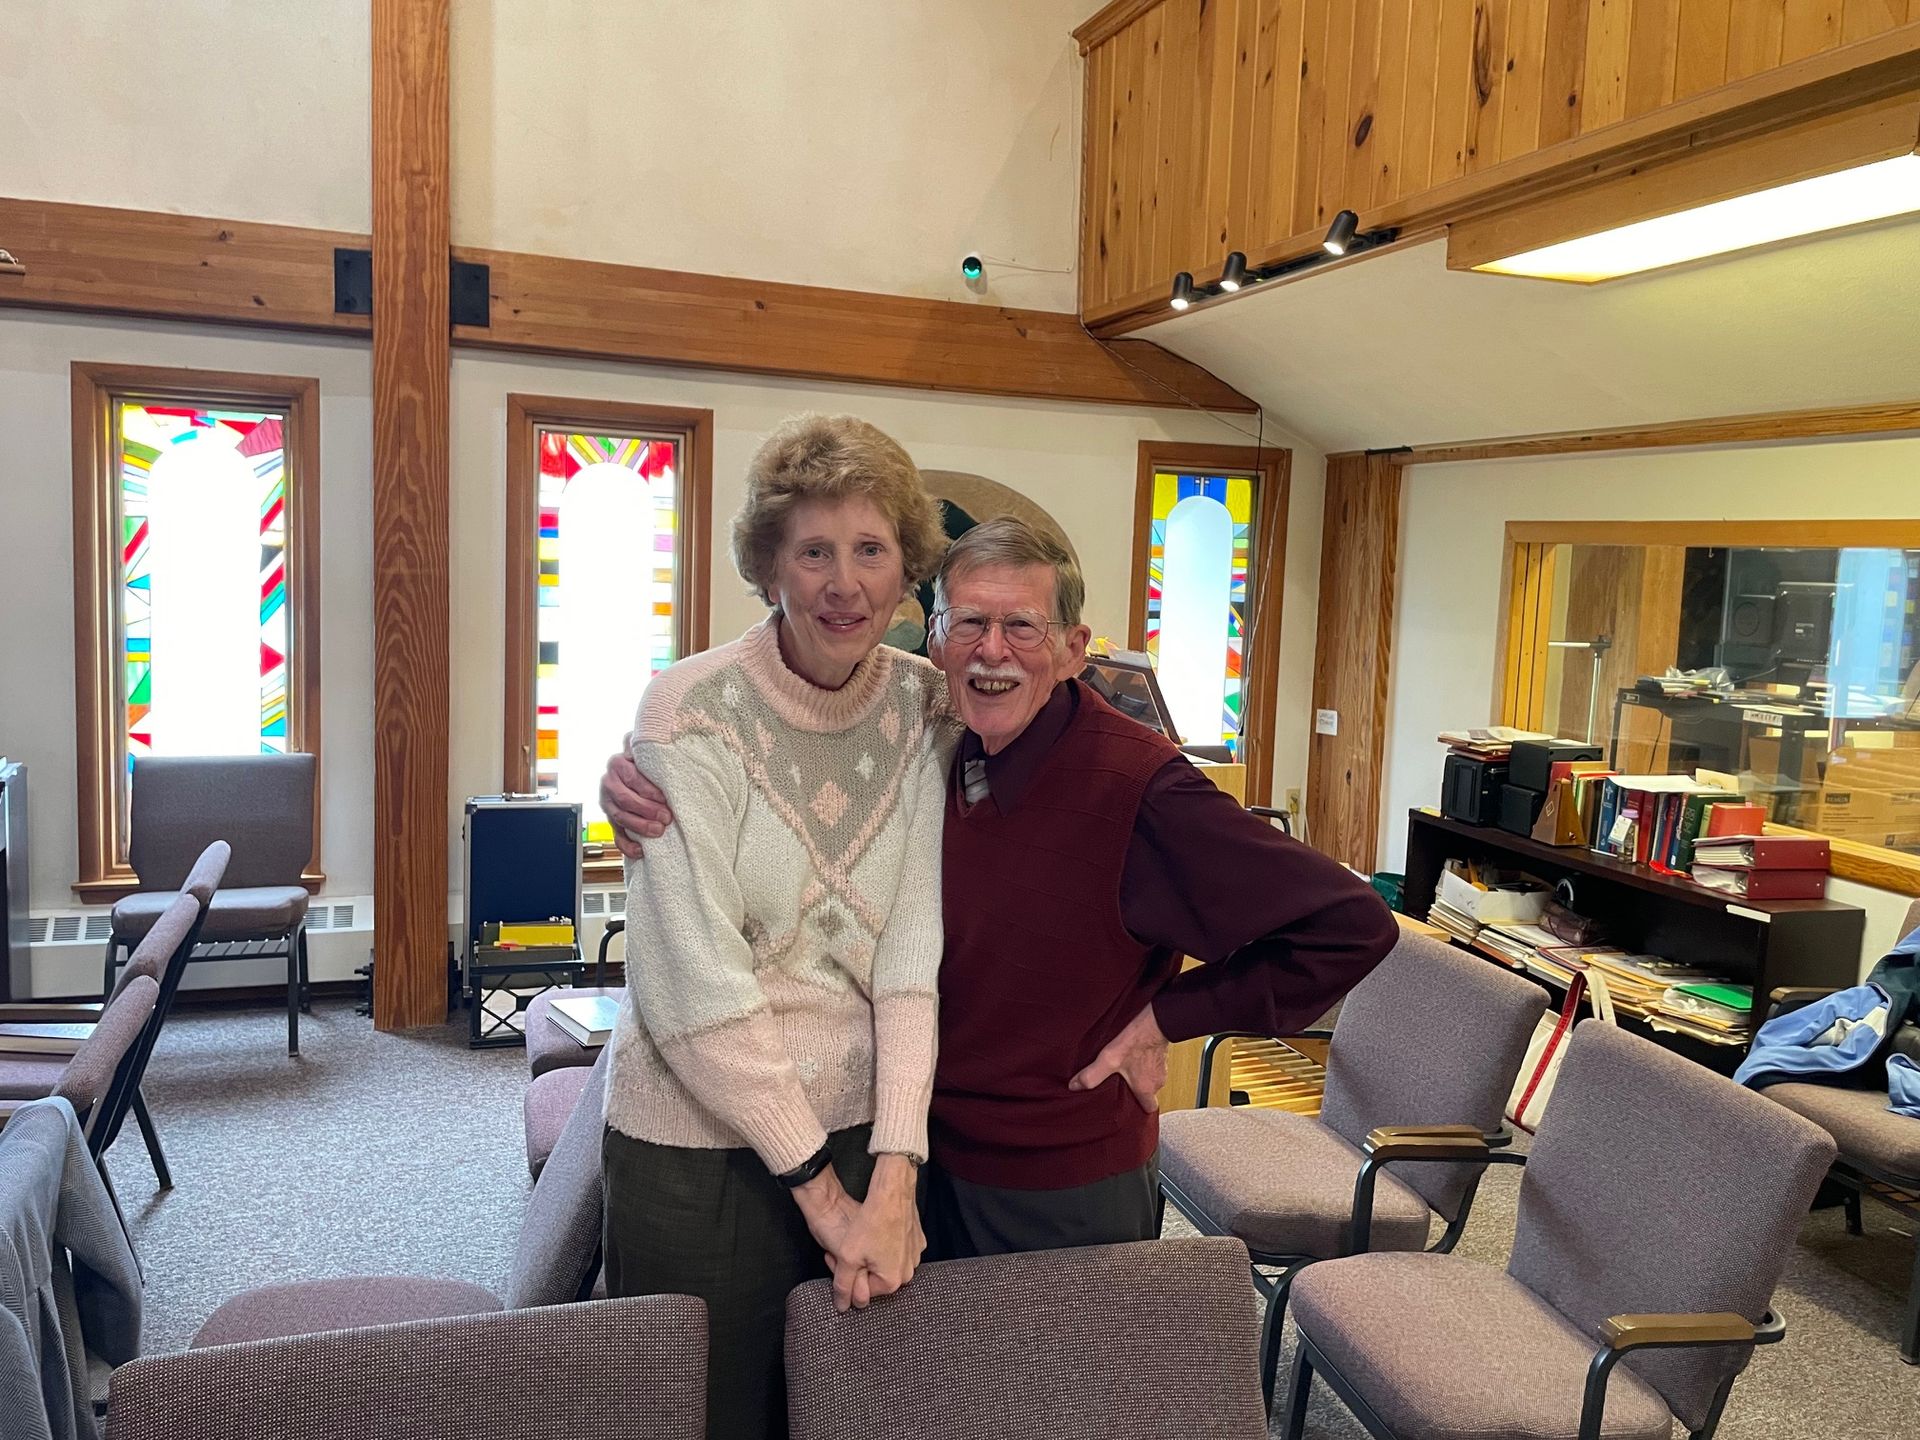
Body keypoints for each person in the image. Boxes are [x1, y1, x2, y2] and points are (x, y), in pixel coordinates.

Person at [603, 516, 1398, 1261]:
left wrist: (1167, 1018)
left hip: (1057, 1184)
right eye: (969, 624)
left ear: (1075, 647)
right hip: (918, 1154)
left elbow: (1351, 925)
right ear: (935, 638)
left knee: (1050, 1408)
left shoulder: (1140, 788)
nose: (992, 652)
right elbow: (779, 733)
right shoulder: (937, 738)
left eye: (1022, 626)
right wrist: (646, 767)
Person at [600, 413, 954, 1440]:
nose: (843, 583)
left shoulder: (926, 710)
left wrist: (892, 1173)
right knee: (705, 1416)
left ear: (904, 574)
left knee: (852, 1414)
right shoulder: (688, 713)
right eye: (813, 551)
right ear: (770, 567)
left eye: (870, 550)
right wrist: (826, 1201)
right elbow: (694, 985)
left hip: (860, 1135)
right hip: (697, 1148)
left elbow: (911, 958)